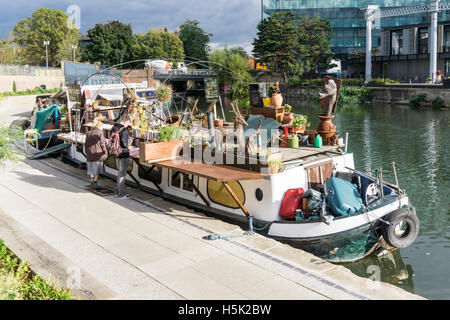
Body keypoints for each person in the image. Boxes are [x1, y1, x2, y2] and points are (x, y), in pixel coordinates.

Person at [111, 114, 134, 199]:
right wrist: (130, 143)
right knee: (122, 173)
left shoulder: (114, 127)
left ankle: (117, 189)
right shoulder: (124, 130)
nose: (128, 125)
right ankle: (121, 193)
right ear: (126, 121)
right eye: (129, 123)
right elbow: (125, 144)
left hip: (115, 152)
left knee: (119, 172)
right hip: (123, 153)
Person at [85, 117, 108, 191]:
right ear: (99, 126)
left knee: (91, 169)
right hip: (97, 154)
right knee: (97, 170)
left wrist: (86, 152)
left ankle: (91, 180)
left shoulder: (88, 133)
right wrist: (105, 152)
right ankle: (95, 183)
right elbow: (102, 144)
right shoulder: (100, 133)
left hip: (89, 153)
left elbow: (86, 144)